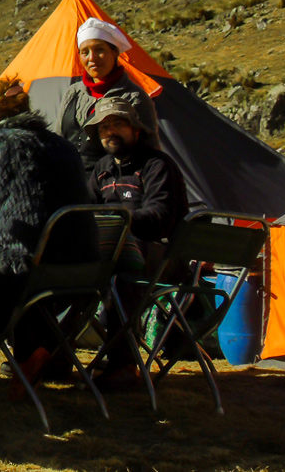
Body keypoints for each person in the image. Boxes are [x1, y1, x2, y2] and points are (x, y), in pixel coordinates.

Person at [0, 77, 97, 404]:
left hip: (19, 268)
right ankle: (28, 356)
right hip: (78, 268)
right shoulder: (63, 145)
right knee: (16, 258)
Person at [85, 96, 189, 387]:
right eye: (104, 127)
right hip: (111, 253)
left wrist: (118, 221)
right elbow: (86, 209)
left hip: (161, 257)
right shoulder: (102, 168)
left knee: (122, 270)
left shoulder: (157, 165)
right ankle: (52, 356)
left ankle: (124, 365)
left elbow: (161, 215)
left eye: (118, 124)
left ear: (137, 130)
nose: (110, 132)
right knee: (71, 269)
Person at [54, 18, 160, 174]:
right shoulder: (73, 93)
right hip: (70, 185)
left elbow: (150, 151)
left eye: (99, 50)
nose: (92, 58)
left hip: (111, 187)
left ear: (115, 52)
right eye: (85, 52)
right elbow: (59, 138)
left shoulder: (134, 97)